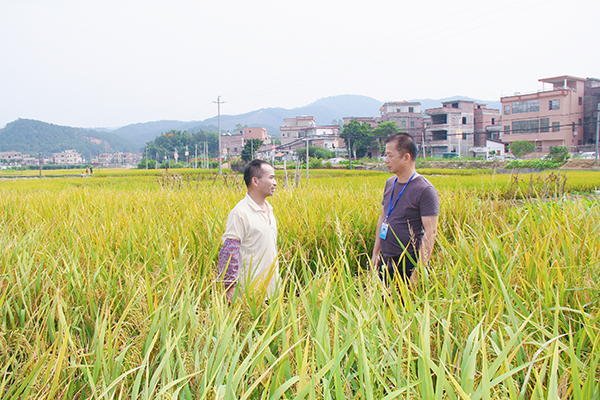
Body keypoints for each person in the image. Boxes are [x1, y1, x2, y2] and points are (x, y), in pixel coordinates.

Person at [371, 133, 439, 290]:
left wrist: (419, 271)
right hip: (386, 260)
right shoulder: (390, 183)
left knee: (405, 310)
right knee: (384, 308)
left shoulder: (425, 190)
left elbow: (431, 232)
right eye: (385, 155)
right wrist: (376, 253)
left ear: (406, 157)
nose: (385, 160)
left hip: (408, 262)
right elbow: (383, 218)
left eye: (390, 155)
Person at [217, 159, 280, 304]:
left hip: (272, 291)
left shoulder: (269, 209)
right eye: (271, 177)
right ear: (255, 181)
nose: (275, 182)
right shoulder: (240, 213)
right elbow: (228, 252)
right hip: (249, 294)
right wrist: (230, 288)